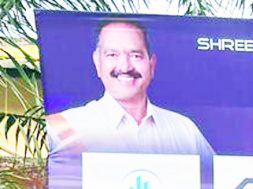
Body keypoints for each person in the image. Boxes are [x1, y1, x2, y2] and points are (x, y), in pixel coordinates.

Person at [47, 19, 212, 156]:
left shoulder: (185, 131)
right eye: (112, 55)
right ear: (97, 62)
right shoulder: (63, 128)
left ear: (151, 65)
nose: (125, 66)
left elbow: (215, 182)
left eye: (135, 56)